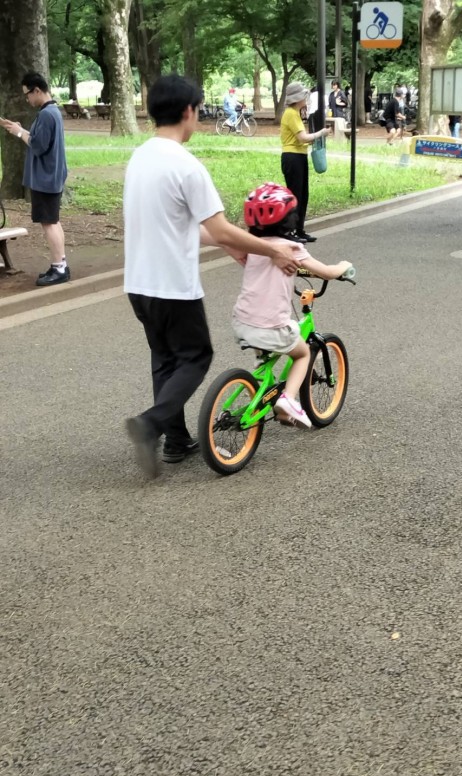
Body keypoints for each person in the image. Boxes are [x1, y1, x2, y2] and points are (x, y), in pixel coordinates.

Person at [123, 75, 301, 479]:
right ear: (189, 111)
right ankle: (151, 425)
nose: (199, 116)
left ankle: (175, 439)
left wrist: (227, 245)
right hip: (172, 286)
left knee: (165, 360)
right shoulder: (186, 165)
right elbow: (220, 227)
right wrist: (272, 248)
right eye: (199, 110)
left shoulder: (140, 158)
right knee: (196, 356)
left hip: (138, 284)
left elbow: (180, 225)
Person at [232, 183, 352, 429]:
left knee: (265, 355)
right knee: (302, 353)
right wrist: (343, 266)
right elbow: (327, 272)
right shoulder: (292, 248)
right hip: (272, 325)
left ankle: (260, 394)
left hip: (242, 322)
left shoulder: (252, 245)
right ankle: (288, 400)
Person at [0, 72, 69, 287]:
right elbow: (41, 140)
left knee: (49, 223)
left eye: (28, 94)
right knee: (53, 221)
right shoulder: (51, 112)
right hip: (51, 176)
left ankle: (59, 268)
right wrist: (20, 130)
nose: (27, 99)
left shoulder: (47, 114)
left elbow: (38, 146)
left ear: (37, 90)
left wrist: (20, 132)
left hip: (45, 178)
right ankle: (61, 264)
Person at [280, 81, 330, 245]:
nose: (306, 98)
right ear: (298, 98)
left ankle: (299, 229)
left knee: (303, 195)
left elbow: (301, 139)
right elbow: (303, 138)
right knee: (295, 196)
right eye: (304, 96)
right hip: (292, 157)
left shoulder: (295, 113)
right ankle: (290, 231)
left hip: (298, 156)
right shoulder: (291, 114)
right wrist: (321, 133)